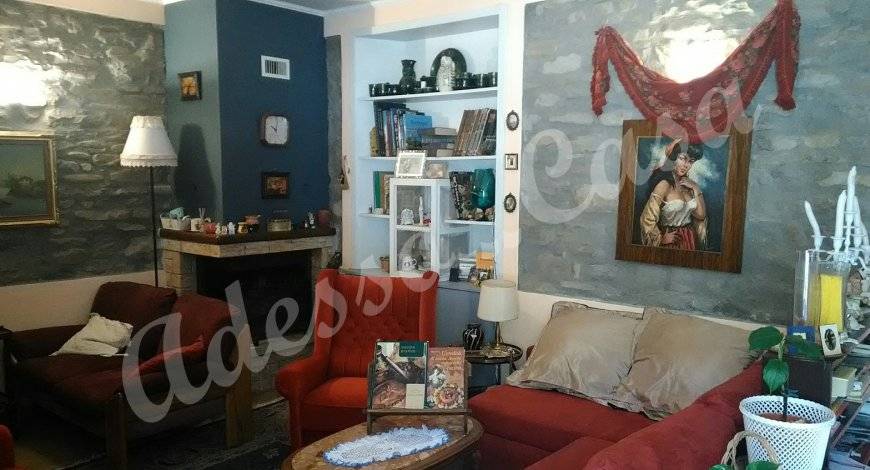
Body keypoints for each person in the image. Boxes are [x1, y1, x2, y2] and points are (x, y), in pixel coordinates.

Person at [639, 139, 707, 250]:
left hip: (689, 240)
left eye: (691, 161)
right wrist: (660, 239)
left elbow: (701, 215)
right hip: (672, 241)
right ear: (673, 158)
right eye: (682, 158)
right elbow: (647, 218)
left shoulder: (689, 186)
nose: (686, 165)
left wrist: (696, 188)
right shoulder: (664, 185)